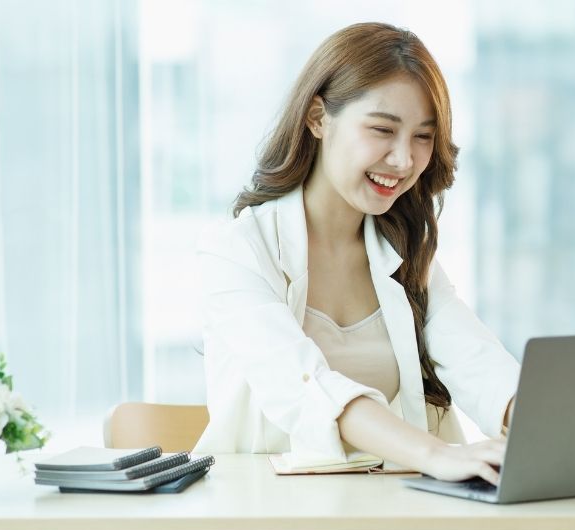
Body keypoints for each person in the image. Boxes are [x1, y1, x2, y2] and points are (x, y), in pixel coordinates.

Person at [192, 22, 518, 488]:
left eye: (423, 137)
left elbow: (478, 363)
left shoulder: (406, 254)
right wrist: (436, 453)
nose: (404, 161)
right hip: (268, 528)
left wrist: (551, 427)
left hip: (388, 518)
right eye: (383, 129)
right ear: (318, 118)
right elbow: (301, 382)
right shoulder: (237, 250)